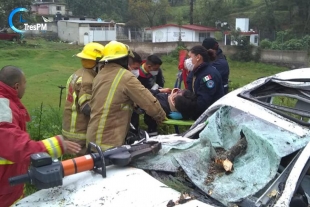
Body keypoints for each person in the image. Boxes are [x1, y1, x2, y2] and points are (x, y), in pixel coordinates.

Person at [0, 66, 81, 207]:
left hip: (9, 183)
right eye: (25, 83)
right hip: (4, 187)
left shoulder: (7, 102)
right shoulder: (3, 107)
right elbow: (17, 146)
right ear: (17, 86)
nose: (26, 86)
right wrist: (58, 144)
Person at [86, 41, 166, 151]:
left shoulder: (100, 75)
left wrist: (132, 103)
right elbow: (147, 100)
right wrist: (161, 116)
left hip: (92, 138)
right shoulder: (125, 76)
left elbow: (112, 97)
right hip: (109, 140)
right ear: (124, 59)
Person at [62, 42, 105, 155]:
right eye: (103, 63)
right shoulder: (87, 81)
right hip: (79, 132)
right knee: (83, 166)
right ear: (96, 63)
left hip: (70, 128)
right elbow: (86, 108)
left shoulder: (78, 73)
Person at [186, 45, 224, 119]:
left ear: (198, 57)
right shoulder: (195, 72)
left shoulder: (209, 76)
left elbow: (203, 102)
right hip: (200, 114)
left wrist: (189, 113)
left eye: (190, 57)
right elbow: (190, 92)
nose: (188, 60)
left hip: (210, 116)